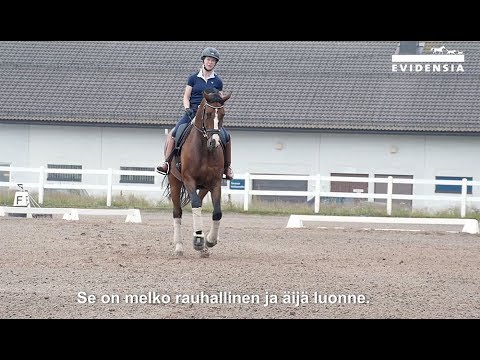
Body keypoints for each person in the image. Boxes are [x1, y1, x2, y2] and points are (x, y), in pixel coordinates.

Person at [156, 47, 234, 180]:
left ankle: (227, 168)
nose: (210, 62)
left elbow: (218, 99)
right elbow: (186, 96)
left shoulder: (218, 81)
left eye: (213, 61)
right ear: (204, 60)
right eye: (208, 59)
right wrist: (187, 108)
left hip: (209, 116)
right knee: (176, 133)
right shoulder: (193, 78)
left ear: (215, 63)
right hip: (192, 113)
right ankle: (166, 163)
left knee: (226, 136)